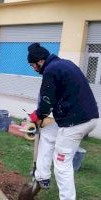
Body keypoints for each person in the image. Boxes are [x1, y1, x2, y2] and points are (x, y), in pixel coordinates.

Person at [27, 43, 99, 200]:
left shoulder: (50, 71)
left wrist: (37, 115)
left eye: (33, 65)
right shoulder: (65, 64)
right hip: (85, 117)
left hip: (76, 122)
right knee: (47, 134)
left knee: (62, 164)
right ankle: (42, 176)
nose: (33, 69)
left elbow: (47, 100)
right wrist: (42, 114)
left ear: (40, 61)